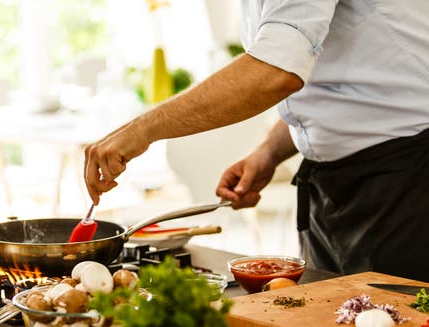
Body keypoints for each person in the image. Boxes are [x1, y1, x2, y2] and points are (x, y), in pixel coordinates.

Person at [83, 1, 429, 281]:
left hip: (407, 180)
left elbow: (277, 72)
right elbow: (334, 88)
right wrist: (268, 153)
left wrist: (145, 129)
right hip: (335, 189)